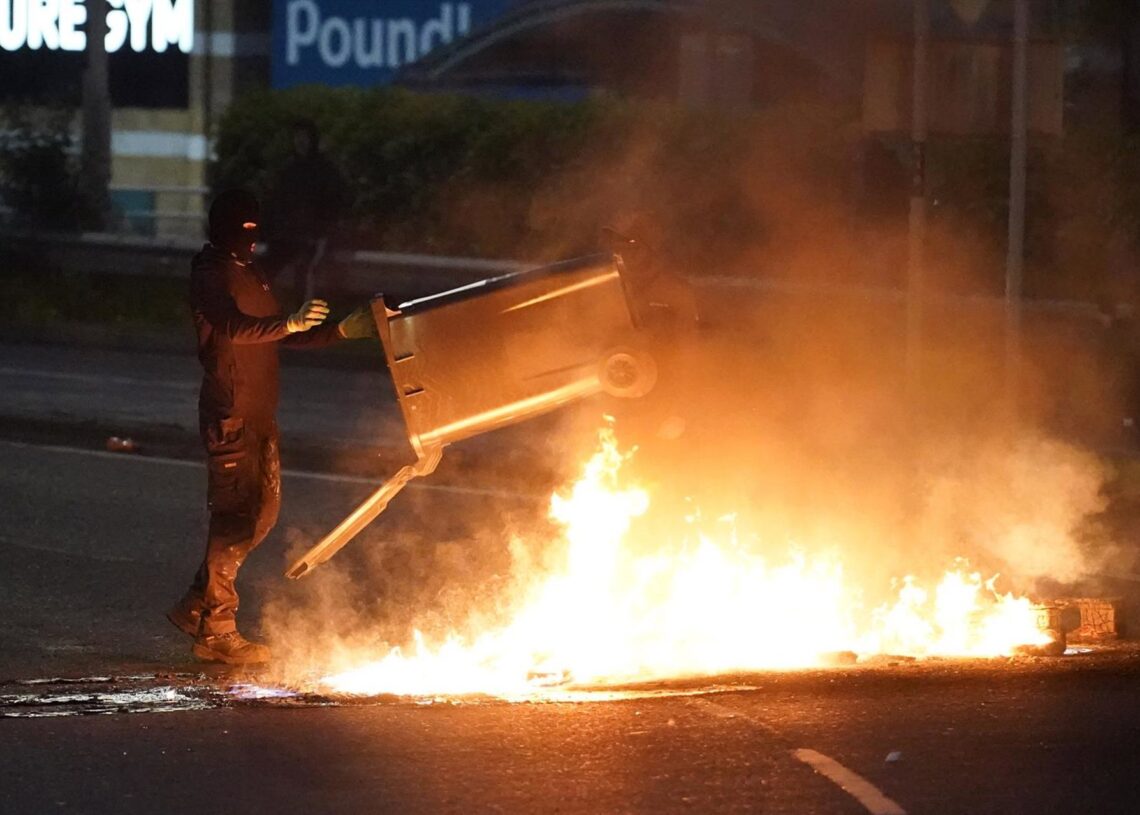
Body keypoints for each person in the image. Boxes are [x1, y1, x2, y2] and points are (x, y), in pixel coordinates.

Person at [166, 189, 376, 665]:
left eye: (255, 231)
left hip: (260, 414)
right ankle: (216, 628)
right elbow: (233, 328)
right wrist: (289, 321)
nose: (251, 239)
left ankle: (196, 605)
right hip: (231, 414)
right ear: (222, 230)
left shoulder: (249, 273)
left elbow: (278, 334)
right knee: (235, 519)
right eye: (243, 231)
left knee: (262, 514)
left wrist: (338, 330)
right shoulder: (210, 274)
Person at [265, 118, 349, 299]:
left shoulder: (325, 170)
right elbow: (277, 202)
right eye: (297, 136)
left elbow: (335, 204)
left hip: (315, 236)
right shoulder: (290, 169)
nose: (300, 141)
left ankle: (306, 319)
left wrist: (321, 231)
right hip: (291, 235)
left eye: (304, 136)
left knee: (306, 270)